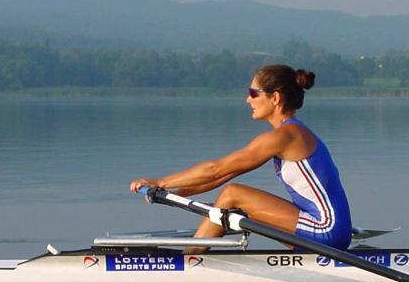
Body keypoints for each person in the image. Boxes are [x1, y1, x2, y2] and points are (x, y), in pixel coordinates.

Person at [130, 65, 352, 251]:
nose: (248, 99)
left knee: (234, 194)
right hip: (324, 229)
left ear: (275, 98)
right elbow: (222, 175)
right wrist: (174, 195)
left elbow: (215, 169)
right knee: (232, 199)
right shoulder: (290, 133)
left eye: (253, 93)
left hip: (326, 230)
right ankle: (192, 258)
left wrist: (160, 182)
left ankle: (190, 261)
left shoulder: (286, 136)